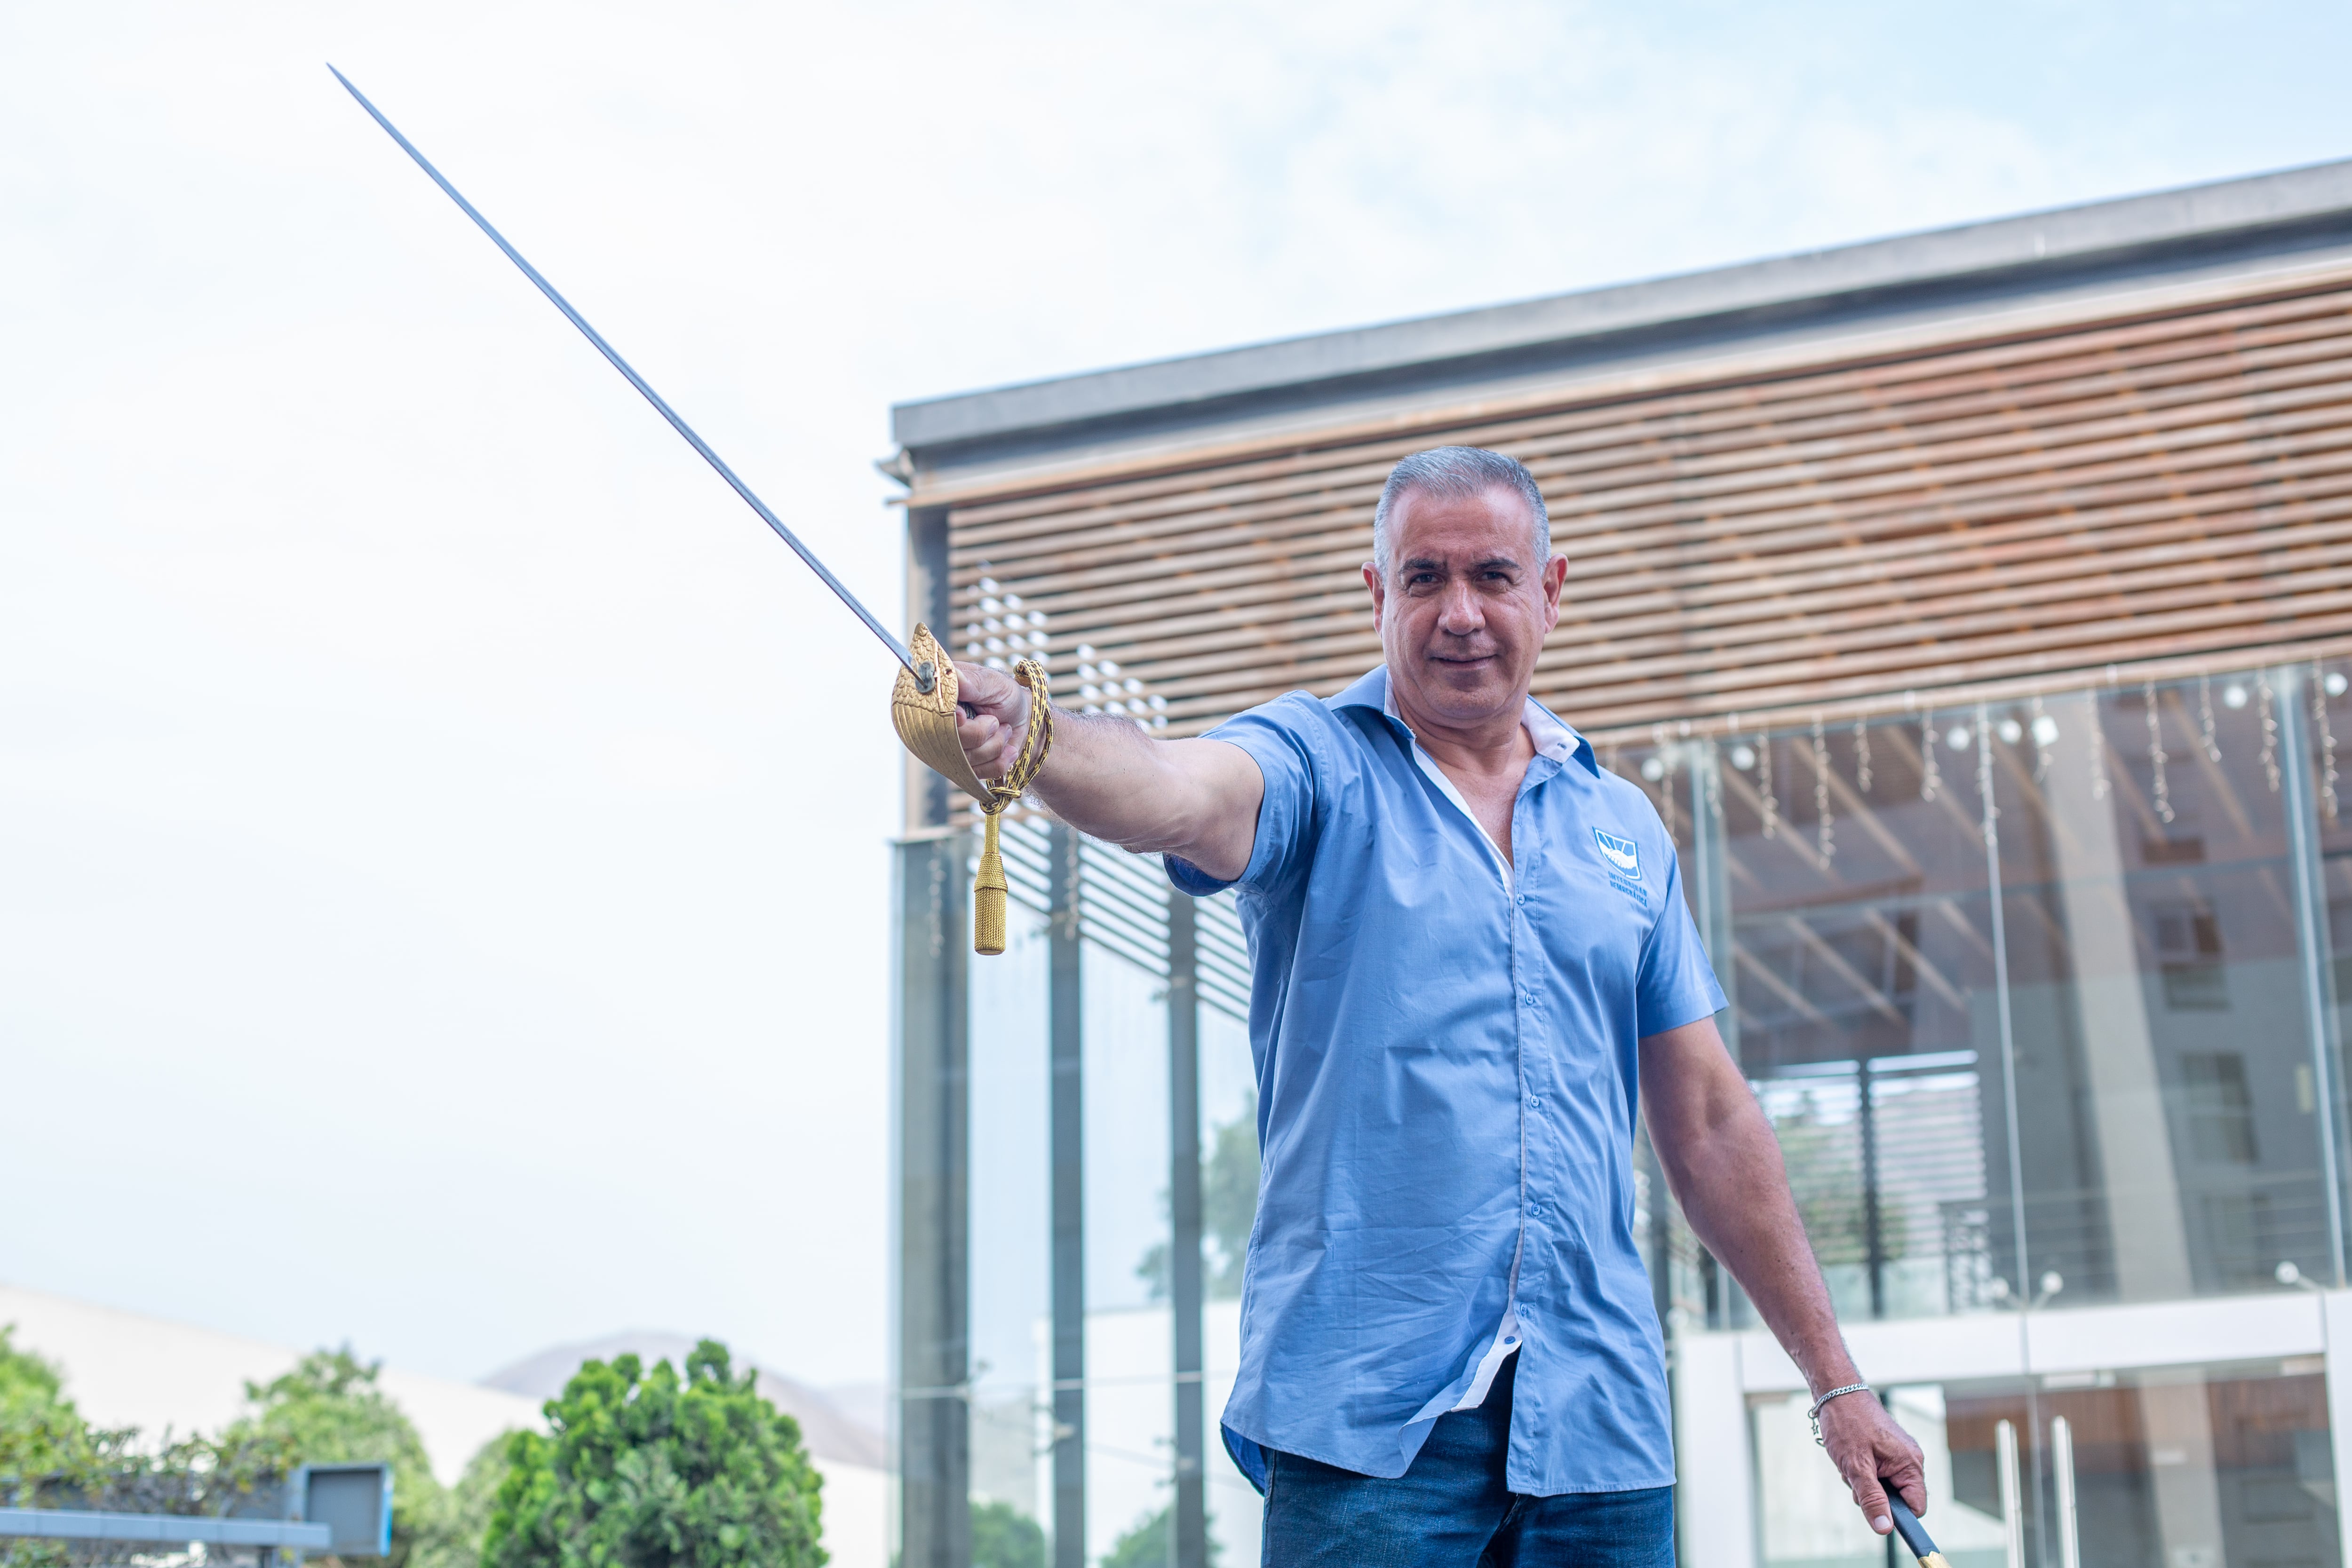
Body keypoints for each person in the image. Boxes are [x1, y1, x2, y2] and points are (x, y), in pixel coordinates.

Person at [948, 445, 1925, 1565]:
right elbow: (1179, 790)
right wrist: (1034, 733)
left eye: (1493, 576)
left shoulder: (1624, 828)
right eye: (1423, 578)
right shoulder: (1316, 762)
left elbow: (1706, 1121)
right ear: (1378, 595)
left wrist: (1837, 1381)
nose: (1459, 612)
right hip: (1369, 1440)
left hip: (1600, 1437)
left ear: (1549, 593)